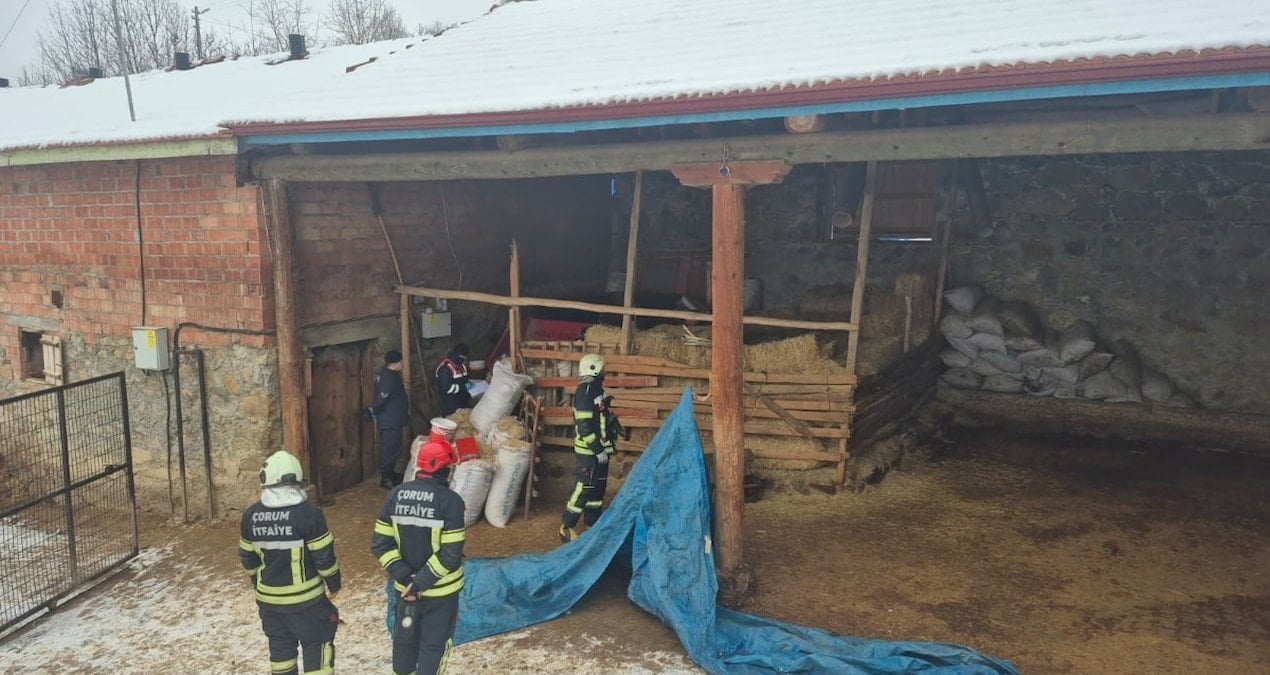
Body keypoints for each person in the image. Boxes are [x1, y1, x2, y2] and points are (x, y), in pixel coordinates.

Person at [239, 450, 341, 675]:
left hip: (269, 604)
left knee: (281, 656)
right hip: (307, 603)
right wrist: (334, 584)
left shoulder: (250, 515)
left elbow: (247, 558)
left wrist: (258, 583)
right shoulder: (309, 514)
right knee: (318, 647)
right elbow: (324, 558)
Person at [372, 439, 466, 675]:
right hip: (441, 593)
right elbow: (450, 554)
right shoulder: (451, 502)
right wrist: (419, 583)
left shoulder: (395, 495)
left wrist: (407, 579)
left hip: (404, 592)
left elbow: (381, 544)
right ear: (444, 469)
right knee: (434, 648)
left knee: (404, 646)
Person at [559, 353, 614, 543]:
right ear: (594, 369)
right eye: (602, 367)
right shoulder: (585, 392)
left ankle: (592, 524)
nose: (605, 371)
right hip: (589, 452)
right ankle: (566, 526)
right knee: (585, 486)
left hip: (601, 451)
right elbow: (584, 427)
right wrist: (597, 449)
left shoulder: (597, 390)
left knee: (597, 489)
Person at [364, 349, 409, 489]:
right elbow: (382, 398)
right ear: (394, 364)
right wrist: (373, 411)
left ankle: (391, 474)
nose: (402, 364)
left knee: (394, 448)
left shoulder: (392, 375)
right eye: (401, 362)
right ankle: (386, 478)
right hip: (390, 421)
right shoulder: (388, 378)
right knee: (389, 449)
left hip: (395, 419)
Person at [434, 343, 472, 416]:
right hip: (451, 405)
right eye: (463, 357)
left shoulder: (462, 365)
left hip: (464, 402)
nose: (464, 360)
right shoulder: (445, 368)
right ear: (457, 355)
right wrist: (463, 387)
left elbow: (464, 379)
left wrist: (469, 383)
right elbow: (446, 389)